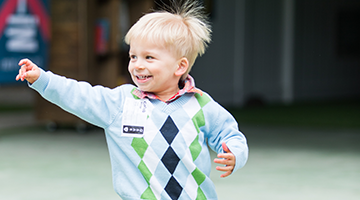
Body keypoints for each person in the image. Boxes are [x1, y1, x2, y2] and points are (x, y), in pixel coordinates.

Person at [16, 1, 248, 199]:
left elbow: (229, 134)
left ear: (180, 66)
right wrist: (43, 79)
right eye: (133, 56)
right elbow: (79, 95)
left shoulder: (202, 105)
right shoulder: (121, 102)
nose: (137, 65)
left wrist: (234, 154)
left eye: (149, 57)